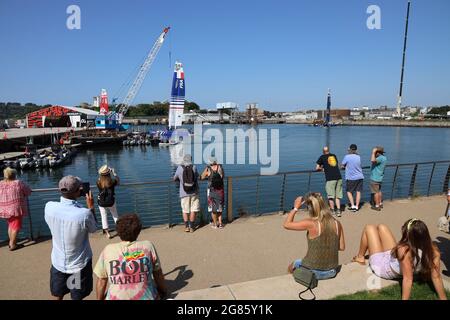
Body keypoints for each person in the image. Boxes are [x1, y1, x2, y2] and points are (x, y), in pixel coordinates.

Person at [352, 219, 447, 300]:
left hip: (383, 267)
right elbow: (436, 277)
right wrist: (443, 298)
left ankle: (360, 257)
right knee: (382, 227)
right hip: (392, 259)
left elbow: (408, 279)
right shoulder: (433, 250)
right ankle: (365, 255)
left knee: (369, 228)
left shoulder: (404, 250)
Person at [44, 176, 97, 300]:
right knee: (76, 297)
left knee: (59, 294)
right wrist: (91, 207)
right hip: (78, 264)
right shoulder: (84, 213)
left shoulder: (49, 207)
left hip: (58, 262)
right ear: (78, 191)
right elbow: (94, 229)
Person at [94, 214, 168, 300]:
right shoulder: (147, 246)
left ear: (118, 232)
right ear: (138, 231)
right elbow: (157, 273)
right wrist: (163, 291)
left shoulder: (108, 249)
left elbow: (102, 281)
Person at [283, 192, 345, 280]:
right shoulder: (337, 223)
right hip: (332, 271)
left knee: (293, 265)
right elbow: (342, 247)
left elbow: (286, 225)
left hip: (313, 272)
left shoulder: (310, 223)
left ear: (310, 208)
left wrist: (295, 208)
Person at [0, 167, 32, 251]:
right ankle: (12, 245)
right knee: (16, 227)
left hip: (4, 208)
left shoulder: (1, 183)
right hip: (15, 209)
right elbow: (28, 191)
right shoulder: (18, 183)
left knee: (11, 225)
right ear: (14, 175)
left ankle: (11, 242)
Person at [173, 154, 199, 233]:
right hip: (194, 192)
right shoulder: (194, 167)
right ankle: (192, 227)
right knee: (193, 210)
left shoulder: (180, 168)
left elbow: (174, 178)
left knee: (185, 210)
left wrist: (179, 179)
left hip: (184, 193)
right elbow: (197, 176)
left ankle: (186, 227)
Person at [316, 146, 343, 217]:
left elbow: (317, 168)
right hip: (339, 177)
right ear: (328, 150)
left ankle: (333, 210)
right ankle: (339, 211)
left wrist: (322, 169)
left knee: (330, 196)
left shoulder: (322, 157)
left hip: (330, 179)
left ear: (323, 151)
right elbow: (335, 165)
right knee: (337, 196)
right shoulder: (333, 155)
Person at [201, 157, 225, 229]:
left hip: (211, 190)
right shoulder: (220, 167)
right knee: (220, 207)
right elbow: (223, 176)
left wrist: (207, 177)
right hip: (220, 190)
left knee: (212, 208)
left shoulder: (208, 168)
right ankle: (220, 224)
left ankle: (215, 224)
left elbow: (202, 177)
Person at [97, 165, 120, 239]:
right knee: (115, 215)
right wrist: (114, 173)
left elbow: (100, 178)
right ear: (108, 173)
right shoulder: (112, 181)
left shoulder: (98, 182)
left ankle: (108, 233)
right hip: (111, 201)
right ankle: (119, 230)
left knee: (104, 216)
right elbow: (118, 181)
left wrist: (103, 173)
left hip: (101, 201)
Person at [341, 144, 364, 212]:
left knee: (349, 191)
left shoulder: (347, 156)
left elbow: (342, 165)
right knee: (358, 192)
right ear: (356, 149)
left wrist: (344, 167)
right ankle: (357, 206)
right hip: (360, 176)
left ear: (350, 149)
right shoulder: (358, 157)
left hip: (351, 177)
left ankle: (352, 205)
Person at [370, 146, 387, 211]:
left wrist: (373, 153)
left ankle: (377, 206)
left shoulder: (379, 158)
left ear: (378, 152)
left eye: (376, 152)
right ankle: (380, 203)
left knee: (375, 192)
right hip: (380, 177)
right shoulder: (384, 158)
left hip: (375, 178)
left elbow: (372, 160)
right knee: (379, 191)